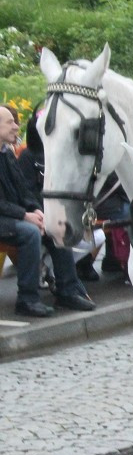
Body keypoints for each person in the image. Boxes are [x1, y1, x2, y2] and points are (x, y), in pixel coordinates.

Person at [0, 105, 95, 317]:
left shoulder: (5, 153)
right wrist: (25, 215)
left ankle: (67, 290)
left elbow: (22, 189)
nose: (17, 126)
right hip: (5, 218)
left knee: (54, 224)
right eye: (10, 123)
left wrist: (36, 210)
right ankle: (27, 298)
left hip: (12, 215)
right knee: (29, 232)